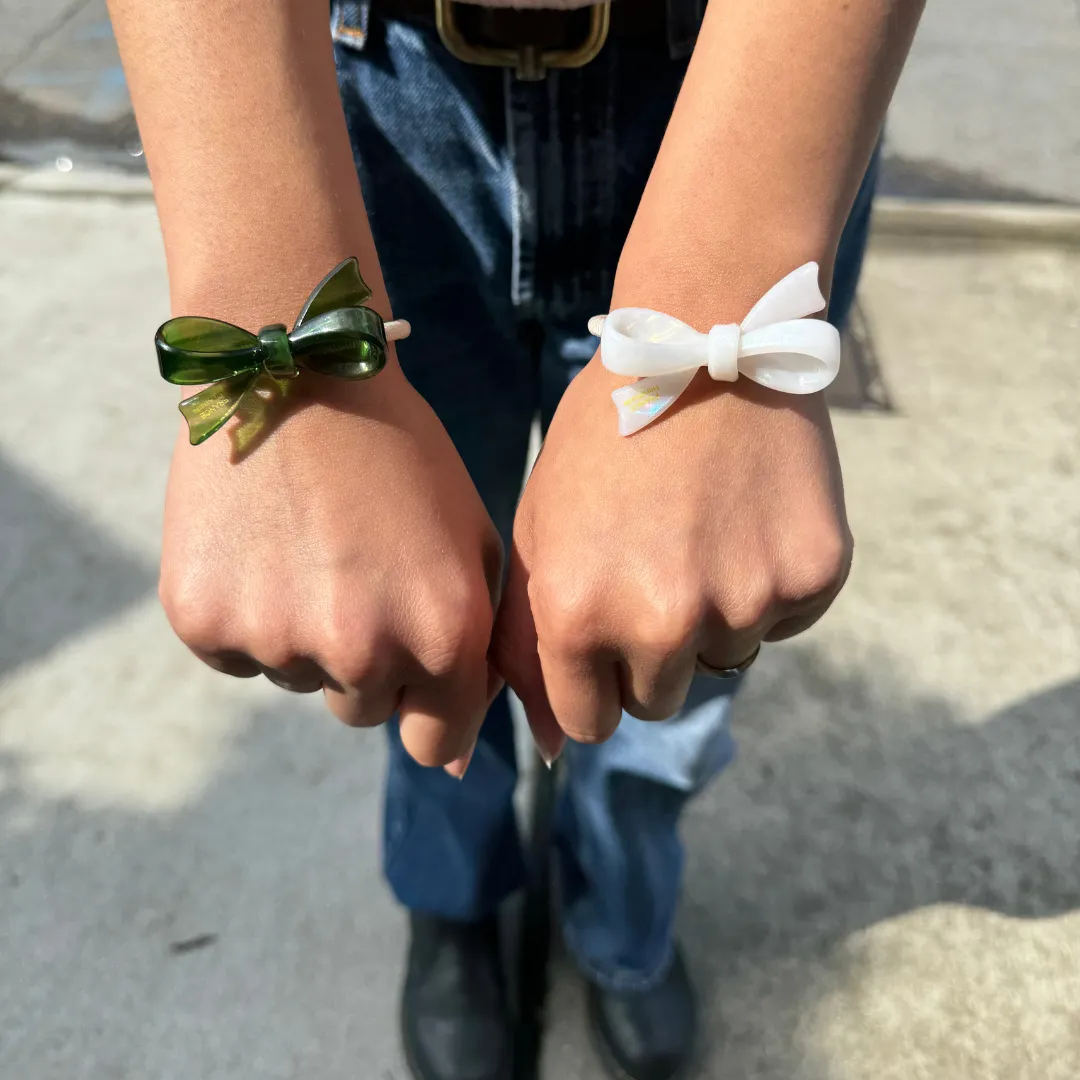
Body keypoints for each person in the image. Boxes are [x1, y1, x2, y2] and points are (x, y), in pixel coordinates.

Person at [107, 1, 923, 1077]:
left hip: (746, 78)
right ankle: (452, 901)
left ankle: (624, 909)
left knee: (691, 619)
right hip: (370, 96)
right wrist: (268, 314)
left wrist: (730, 302)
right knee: (410, 628)